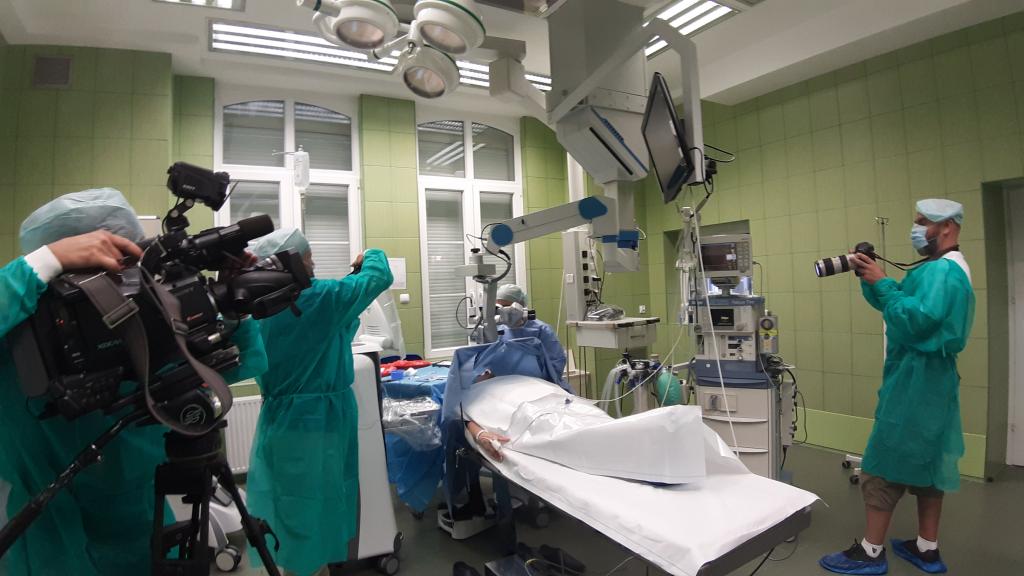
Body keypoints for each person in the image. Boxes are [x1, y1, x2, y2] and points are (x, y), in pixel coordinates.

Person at [0, 188, 269, 576]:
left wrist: (234, 303)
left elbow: (235, 367)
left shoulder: (145, 321)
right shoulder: (18, 337)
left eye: (125, 266)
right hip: (48, 534)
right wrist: (44, 260)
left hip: (143, 522)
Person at [819, 199, 975, 576]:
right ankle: (926, 549)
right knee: (928, 464)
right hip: (931, 378)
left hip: (916, 380)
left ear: (947, 227)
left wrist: (883, 283)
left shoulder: (944, 272)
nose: (916, 229)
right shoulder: (941, 267)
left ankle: (871, 552)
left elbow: (916, 320)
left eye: (923, 222)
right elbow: (898, 304)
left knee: (882, 463)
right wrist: (870, 278)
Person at [246, 229, 393, 576]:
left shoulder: (260, 308)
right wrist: (371, 254)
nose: (313, 265)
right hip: (318, 422)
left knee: (292, 505)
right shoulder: (319, 298)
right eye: (308, 257)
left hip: (281, 421)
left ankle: (305, 566)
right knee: (317, 506)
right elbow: (379, 276)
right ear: (292, 263)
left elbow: (330, 326)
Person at [495, 284, 567, 382]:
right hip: (507, 385)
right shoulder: (497, 331)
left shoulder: (541, 330)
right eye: (499, 307)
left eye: (506, 306)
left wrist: (536, 383)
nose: (503, 312)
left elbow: (556, 363)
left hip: (539, 385)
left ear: (520, 305)